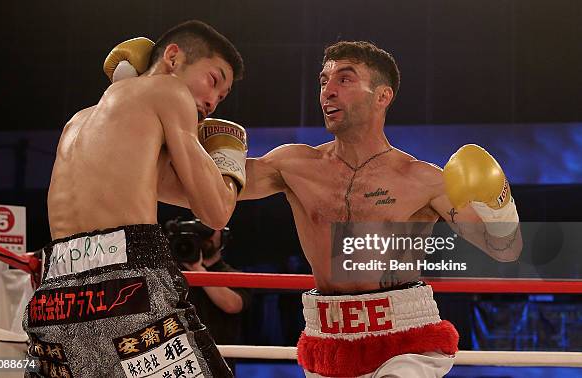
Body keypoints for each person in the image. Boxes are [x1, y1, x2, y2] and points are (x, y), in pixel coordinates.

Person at [119, 40, 522, 377]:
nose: (328, 90)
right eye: (324, 80)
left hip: (406, 336)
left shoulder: (424, 179)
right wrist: (135, 105)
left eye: (345, 79)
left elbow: (504, 251)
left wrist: (499, 203)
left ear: (383, 96)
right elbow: (187, 191)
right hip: (327, 337)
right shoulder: (294, 165)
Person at [23, 20, 246, 377]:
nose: (212, 101)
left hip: (54, 297)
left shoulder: (77, 121)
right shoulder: (170, 92)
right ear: (173, 57)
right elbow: (217, 211)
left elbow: (178, 191)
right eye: (214, 80)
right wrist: (231, 164)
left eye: (222, 98)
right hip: (128, 287)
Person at [166, 219, 251, 374]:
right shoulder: (173, 277)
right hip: (180, 360)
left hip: (220, 360)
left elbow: (233, 305)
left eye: (210, 232)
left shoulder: (234, 275)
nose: (205, 239)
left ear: (223, 236)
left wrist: (198, 270)